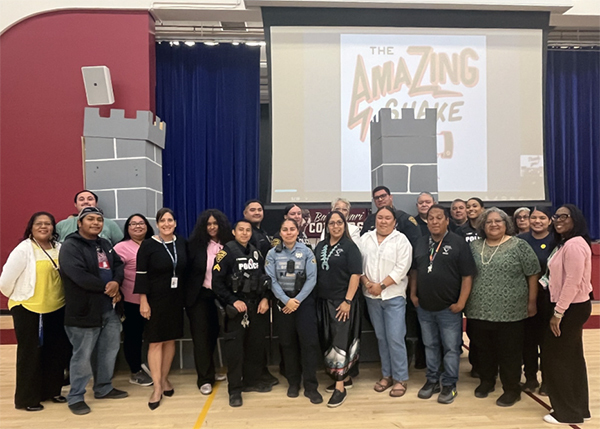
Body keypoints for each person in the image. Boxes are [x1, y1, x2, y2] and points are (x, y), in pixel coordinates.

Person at [465, 208, 540, 407]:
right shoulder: (474, 246)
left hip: (511, 311)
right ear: (482, 226)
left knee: (510, 352)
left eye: (498, 221)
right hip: (478, 310)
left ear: (506, 224)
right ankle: (487, 381)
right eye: (488, 222)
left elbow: (533, 273)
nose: (494, 225)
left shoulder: (519, 245)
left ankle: (512, 389)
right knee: (484, 350)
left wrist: (531, 302)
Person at [59, 207, 127, 415]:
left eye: (99, 219)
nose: (96, 223)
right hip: (83, 311)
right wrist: (108, 288)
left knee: (108, 352)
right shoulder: (70, 246)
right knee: (82, 356)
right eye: (90, 219)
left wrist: (116, 281)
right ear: (80, 223)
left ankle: (103, 388)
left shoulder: (105, 244)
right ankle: (76, 396)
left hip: (109, 309)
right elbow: (78, 276)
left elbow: (119, 265)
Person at [0, 212, 71, 411]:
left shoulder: (60, 248)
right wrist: (20, 298)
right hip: (28, 308)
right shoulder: (23, 249)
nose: (43, 227)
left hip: (57, 307)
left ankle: (52, 391)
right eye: (39, 223)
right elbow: (5, 281)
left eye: (47, 224)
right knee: (30, 354)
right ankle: (27, 399)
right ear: (31, 227)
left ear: (53, 228)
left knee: (56, 351)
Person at [409, 205, 476, 404]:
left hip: (449, 308)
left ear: (447, 220)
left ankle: (449, 384)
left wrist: (461, 302)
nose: (435, 221)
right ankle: (432, 381)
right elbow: (414, 272)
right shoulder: (420, 243)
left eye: (439, 218)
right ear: (427, 221)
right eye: (431, 218)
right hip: (424, 307)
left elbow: (467, 275)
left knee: (450, 348)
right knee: (430, 346)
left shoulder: (458, 243)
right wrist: (413, 295)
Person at [541, 204, 592, 425]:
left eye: (565, 216)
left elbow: (572, 282)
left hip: (570, 309)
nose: (559, 220)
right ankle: (576, 405)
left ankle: (567, 412)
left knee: (558, 361)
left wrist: (558, 312)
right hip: (570, 307)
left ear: (575, 219)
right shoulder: (566, 243)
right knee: (571, 359)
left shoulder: (574, 245)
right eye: (556, 216)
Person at [212, 219, 272, 407]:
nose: (245, 233)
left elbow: (265, 278)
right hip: (236, 310)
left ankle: (251, 382)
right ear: (233, 232)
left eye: (248, 230)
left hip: (256, 307)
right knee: (235, 352)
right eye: (241, 230)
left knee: (255, 347)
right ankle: (235, 390)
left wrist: (266, 298)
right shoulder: (226, 252)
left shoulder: (255, 252)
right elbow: (217, 284)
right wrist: (233, 300)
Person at [134, 208, 188, 410]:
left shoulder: (181, 243)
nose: (167, 223)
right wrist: (143, 301)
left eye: (170, 220)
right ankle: (156, 387)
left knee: (170, 340)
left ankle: (164, 379)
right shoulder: (148, 245)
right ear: (157, 224)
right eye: (162, 220)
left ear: (175, 222)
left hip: (175, 300)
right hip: (154, 301)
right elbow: (141, 275)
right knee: (155, 342)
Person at [265, 219, 323, 404]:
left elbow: (312, 278)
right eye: (285, 229)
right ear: (280, 233)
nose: (288, 232)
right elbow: (271, 280)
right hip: (283, 304)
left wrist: (296, 300)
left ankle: (311, 386)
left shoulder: (306, 251)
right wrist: (286, 301)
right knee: (288, 344)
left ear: (297, 231)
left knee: (309, 344)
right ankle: (293, 383)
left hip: (303, 303)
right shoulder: (272, 253)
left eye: (292, 229)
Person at [359, 206, 412, 398]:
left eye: (387, 218)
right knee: (381, 338)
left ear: (394, 221)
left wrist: (381, 286)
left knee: (396, 338)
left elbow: (402, 268)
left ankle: (400, 379)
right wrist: (366, 283)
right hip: (371, 297)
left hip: (393, 296)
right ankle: (386, 375)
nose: (383, 221)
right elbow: (358, 264)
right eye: (380, 217)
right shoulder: (365, 239)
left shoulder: (401, 240)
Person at [315, 211, 362, 408]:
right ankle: (344, 378)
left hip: (342, 302)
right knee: (328, 340)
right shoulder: (321, 246)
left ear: (345, 225)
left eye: (339, 223)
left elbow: (355, 275)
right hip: (323, 301)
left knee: (341, 342)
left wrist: (347, 301)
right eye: (332, 223)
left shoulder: (350, 247)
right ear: (327, 226)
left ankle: (340, 388)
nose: (335, 226)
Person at [186, 209, 233, 395]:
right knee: (201, 338)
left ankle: (213, 371)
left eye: (215, 223)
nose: (212, 227)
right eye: (208, 224)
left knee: (215, 335)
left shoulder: (230, 244)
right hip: (201, 297)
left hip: (224, 295)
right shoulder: (194, 245)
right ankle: (204, 379)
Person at [517, 206, 555, 395]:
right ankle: (530, 378)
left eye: (542, 217)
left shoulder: (556, 240)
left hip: (549, 299)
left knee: (547, 342)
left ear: (550, 221)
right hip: (524, 298)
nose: (537, 221)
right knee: (528, 341)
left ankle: (548, 381)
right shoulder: (520, 240)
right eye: (534, 217)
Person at [113, 214, 154, 387]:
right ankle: (135, 371)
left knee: (155, 336)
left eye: (141, 223)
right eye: (133, 224)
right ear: (127, 228)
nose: (137, 226)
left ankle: (153, 367)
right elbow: (115, 271)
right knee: (133, 336)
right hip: (131, 300)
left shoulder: (155, 243)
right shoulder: (120, 247)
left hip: (156, 300)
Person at [242, 199, 279, 387]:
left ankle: (262, 371)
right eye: (252, 210)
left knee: (260, 336)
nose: (257, 212)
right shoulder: (247, 235)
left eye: (259, 209)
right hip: (253, 293)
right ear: (245, 213)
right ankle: (252, 378)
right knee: (254, 338)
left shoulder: (263, 233)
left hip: (264, 290)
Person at [56, 190, 123, 245]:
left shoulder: (110, 224)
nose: (86, 202)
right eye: (81, 199)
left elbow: (121, 247)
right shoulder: (62, 225)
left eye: (90, 199)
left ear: (96, 204)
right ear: (75, 204)